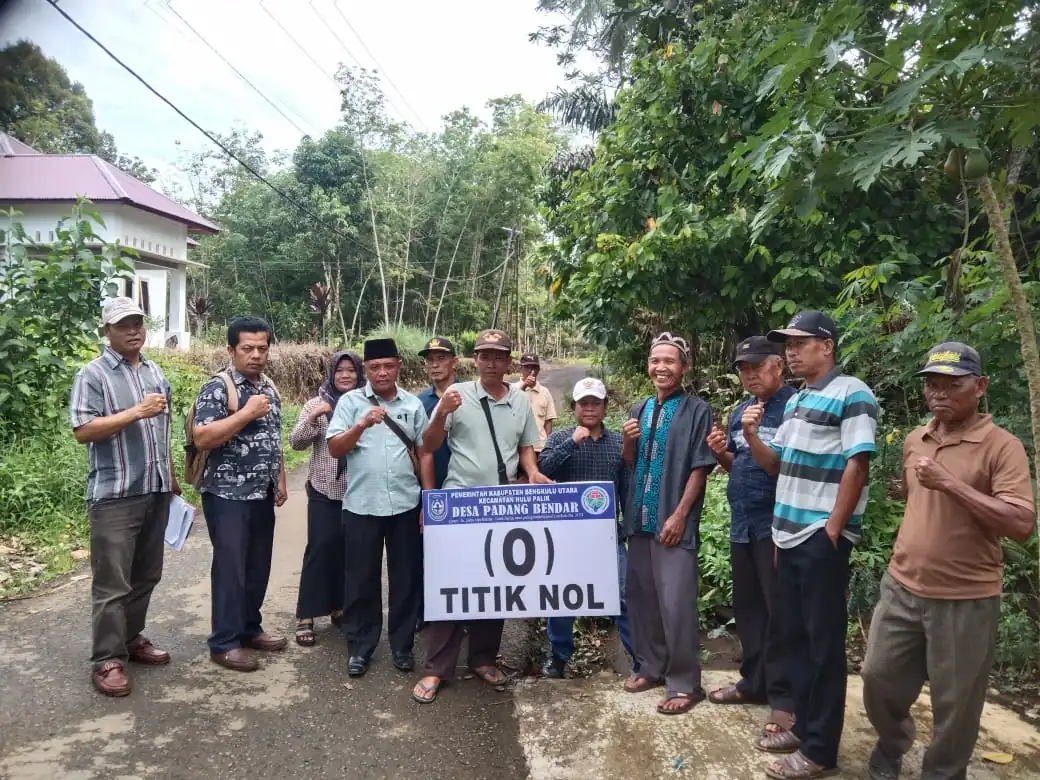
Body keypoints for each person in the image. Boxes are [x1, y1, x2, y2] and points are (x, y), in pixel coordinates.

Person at [861, 342, 1035, 780]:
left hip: (965, 598)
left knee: (955, 704)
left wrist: (950, 483)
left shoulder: (1002, 446)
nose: (938, 394)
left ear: (980, 387)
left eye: (951, 385)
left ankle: (942, 773)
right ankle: (893, 743)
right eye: (932, 385)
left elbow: (1020, 522)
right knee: (877, 677)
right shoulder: (915, 439)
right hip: (901, 585)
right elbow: (918, 499)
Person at [742, 311, 877, 779]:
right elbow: (777, 467)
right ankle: (803, 723)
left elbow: (858, 464)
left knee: (823, 645)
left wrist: (834, 528)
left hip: (820, 537)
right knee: (793, 637)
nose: (791, 351)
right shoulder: (799, 399)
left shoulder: (852, 392)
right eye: (788, 344)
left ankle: (821, 750)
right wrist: (750, 436)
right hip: (788, 534)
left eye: (801, 343)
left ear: (828, 346)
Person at [412, 328, 552, 704]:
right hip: (460, 502)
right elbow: (429, 444)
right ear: (475, 360)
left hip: (501, 502)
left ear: (509, 361)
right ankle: (436, 668)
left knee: (496, 586)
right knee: (452, 585)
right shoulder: (458, 396)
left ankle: (483, 658)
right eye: (484, 355)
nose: (491, 362)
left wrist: (534, 472)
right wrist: (441, 411)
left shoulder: (521, 402)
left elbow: (525, 448)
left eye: (498, 355)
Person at [69, 297, 180, 697]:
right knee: (112, 582)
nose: (133, 330)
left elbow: (161, 427)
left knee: (146, 574)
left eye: (138, 323)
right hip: (115, 494)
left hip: (154, 488)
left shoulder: (153, 370)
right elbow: (83, 430)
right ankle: (107, 660)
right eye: (123, 325)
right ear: (107, 331)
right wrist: (135, 411)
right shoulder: (93, 374)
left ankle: (131, 640)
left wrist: (170, 475)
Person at [706, 337, 797, 745]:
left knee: (781, 614)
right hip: (742, 524)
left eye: (757, 366)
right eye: (743, 368)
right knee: (750, 610)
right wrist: (721, 452)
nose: (750, 374)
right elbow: (737, 465)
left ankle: (785, 700)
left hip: (777, 526)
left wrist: (753, 435)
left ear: (779, 366)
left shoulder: (795, 407)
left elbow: (778, 466)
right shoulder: (742, 410)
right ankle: (753, 682)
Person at [621, 332, 716, 715]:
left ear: (684, 367)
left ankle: (684, 683)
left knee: (676, 603)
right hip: (640, 517)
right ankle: (650, 667)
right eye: (655, 360)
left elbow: (700, 466)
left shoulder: (696, 410)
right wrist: (628, 441)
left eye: (670, 361)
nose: (661, 367)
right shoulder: (638, 408)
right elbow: (630, 463)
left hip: (672, 520)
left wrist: (680, 514)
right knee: (642, 599)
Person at [326, 338, 433, 677]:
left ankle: (402, 646)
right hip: (361, 506)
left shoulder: (413, 405)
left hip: (404, 503)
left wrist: (427, 499)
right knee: (360, 581)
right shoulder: (349, 403)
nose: (382, 372)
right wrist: (360, 424)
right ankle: (360, 647)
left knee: (406, 578)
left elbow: (424, 452)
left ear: (399, 366)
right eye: (374, 367)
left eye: (388, 366)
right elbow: (334, 449)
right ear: (365, 371)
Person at [193, 317, 288, 673]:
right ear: (231, 350)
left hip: (260, 493)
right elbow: (203, 437)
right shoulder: (218, 388)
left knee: (257, 565)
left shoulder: (270, 387)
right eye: (247, 348)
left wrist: (278, 478)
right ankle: (224, 641)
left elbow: (273, 438)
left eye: (262, 348)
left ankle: (250, 627)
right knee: (231, 568)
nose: (256, 355)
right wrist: (246, 413)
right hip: (226, 495)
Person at [539, 377, 636, 678]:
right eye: (584, 403)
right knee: (561, 597)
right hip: (565, 537)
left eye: (596, 403)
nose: (590, 408)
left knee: (623, 594)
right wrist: (573, 442)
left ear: (606, 407)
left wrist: (625, 527)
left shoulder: (620, 444)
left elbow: (625, 489)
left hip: (607, 535)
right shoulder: (560, 438)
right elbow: (542, 471)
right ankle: (559, 656)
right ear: (574, 408)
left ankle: (638, 659)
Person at [289, 350, 364, 647]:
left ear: (360, 374)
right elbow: (295, 442)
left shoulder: (365, 405)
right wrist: (314, 415)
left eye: (351, 371)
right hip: (323, 488)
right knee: (319, 549)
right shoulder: (316, 403)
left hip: (357, 491)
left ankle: (339, 607)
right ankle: (306, 615)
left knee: (348, 552)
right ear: (331, 374)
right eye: (339, 371)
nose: (345, 376)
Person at [416, 336, 460, 490]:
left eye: (441, 359)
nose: (435, 365)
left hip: (465, 483)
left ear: (454, 362)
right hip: (432, 481)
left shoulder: (469, 394)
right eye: (430, 360)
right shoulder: (420, 402)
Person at [514, 352, 557, 452]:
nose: (531, 371)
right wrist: (524, 386)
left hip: (540, 448)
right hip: (517, 448)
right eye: (527, 367)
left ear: (538, 370)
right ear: (521, 368)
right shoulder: (512, 389)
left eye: (534, 367)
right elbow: (509, 407)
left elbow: (548, 422)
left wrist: (548, 446)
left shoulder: (545, 392)